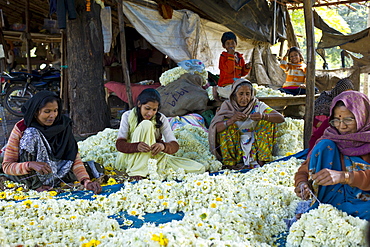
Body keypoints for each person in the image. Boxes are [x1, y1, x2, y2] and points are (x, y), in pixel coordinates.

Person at [1, 91, 101, 194]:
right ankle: (36, 185)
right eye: (47, 111)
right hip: (28, 178)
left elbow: (73, 157)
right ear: (36, 112)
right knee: (31, 133)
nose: (52, 115)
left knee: (92, 169)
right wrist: (30, 165)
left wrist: (86, 181)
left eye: (55, 110)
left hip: (56, 174)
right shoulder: (21, 128)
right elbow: (7, 166)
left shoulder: (63, 126)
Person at [295, 90, 370, 220]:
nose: (342, 126)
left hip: (363, 198)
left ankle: (330, 214)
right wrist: (302, 184)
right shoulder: (332, 135)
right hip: (332, 197)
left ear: (362, 117)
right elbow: (304, 169)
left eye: (348, 120)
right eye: (337, 120)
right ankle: (324, 209)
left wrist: (345, 177)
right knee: (324, 145)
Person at [115, 88, 206, 180]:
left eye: (154, 110)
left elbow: (174, 145)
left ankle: (149, 169)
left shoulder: (161, 118)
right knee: (146, 124)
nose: (150, 113)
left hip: (154, 159)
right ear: (139, 104)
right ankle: (138, 171)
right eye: (147, 108)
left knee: (199, 168)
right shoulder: (127, 116)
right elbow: (119, 145)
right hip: (133, 159)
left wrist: (163, 146)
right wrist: (136, 146)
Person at [208, 79, 285, 170]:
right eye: (241, 94)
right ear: (234, 95)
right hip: (235, 146)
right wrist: (231, 120)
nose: (244, 98)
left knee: (267, 122)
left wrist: (263, 116)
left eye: (247, 94)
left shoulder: (256, 105)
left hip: (255, 145)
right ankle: (230, 164)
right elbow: (215, 128)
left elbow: (280, 118)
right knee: (227, 127)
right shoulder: (228, 106)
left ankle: (262, 161)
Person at [308, 77, 354, 151]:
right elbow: (309, 116)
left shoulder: (347, 105)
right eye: (345, 92)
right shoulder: (325, 100)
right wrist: (318, 124)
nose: (347, 95)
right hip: (319, 131)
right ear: (339, 92)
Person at [217, 32, 251, 99]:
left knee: (250, 91)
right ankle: (217, 90)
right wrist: (231, 56)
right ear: (224, 46)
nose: (231, 46)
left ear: (236, 43)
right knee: (235, 94)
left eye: (232, 43)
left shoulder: (239, 57)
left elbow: (242, 73)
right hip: (225, 86)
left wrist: (246, 67)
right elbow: (229, 70)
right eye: (228, 44)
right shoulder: (223, 57)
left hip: (237, 85)